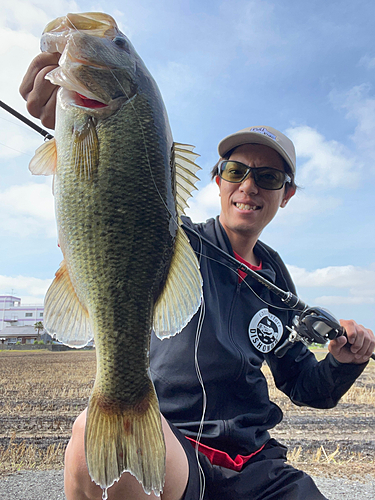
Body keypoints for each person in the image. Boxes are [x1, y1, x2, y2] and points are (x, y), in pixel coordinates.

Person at [20, 53, 375, 500]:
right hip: (174, 446)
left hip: (259, 465)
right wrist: (76, 128)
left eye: (268, 177)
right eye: (236, 170)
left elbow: (304, 384)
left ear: (286, 195)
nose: (249, 185)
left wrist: (345, 363)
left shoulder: (278, 283)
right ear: (217, 180)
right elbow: (111, 202)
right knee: (89, 444)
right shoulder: (171, 235)